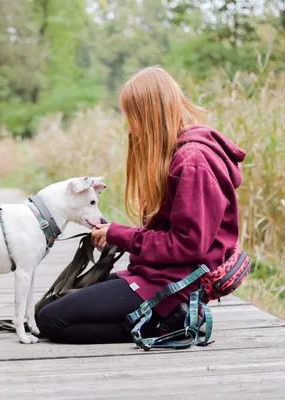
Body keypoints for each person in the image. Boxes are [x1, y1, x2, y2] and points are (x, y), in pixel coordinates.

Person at [35, 65, 247, 344]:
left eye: (131, 117)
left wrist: (118, 234)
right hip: (156, 274)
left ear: (148, 116)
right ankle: (153, 319)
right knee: (46, 310)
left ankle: (169, 325)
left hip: (174, 286)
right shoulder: (180, 154)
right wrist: (117, 236)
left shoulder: (193, 162)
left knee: (51, 321)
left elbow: (187, 245)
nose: (130, 127)